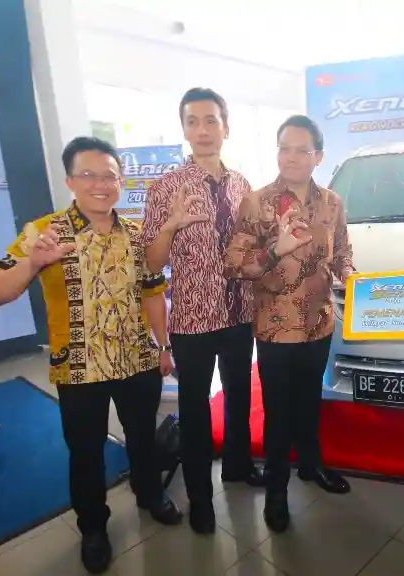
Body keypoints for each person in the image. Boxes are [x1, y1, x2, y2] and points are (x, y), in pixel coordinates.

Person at [0, 136, 181, 575]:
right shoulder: (43, 232)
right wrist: (33, 263)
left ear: (121, 181)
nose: (100, 184)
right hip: (79, 368)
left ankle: (150, 494)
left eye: (109, 176)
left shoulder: (135, 234)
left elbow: (153, 293)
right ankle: (93, 528)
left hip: (137, 360)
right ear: (70, 180)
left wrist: (163, 346)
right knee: (86, 453)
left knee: (142, 437)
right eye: (88, 175)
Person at [139, 88, 262, 535]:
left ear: (226, 127)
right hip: (193, 316)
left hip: (239, 311)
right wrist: (170, 226)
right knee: (193, 409)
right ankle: (200, 497)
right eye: (193, 121)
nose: (203, 130)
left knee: (238, 394)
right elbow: (151, 264)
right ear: (184, 129)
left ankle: (238, 466)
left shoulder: (242, 184)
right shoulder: (166, 187)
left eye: (211, 120)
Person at [224, 115, 354, 531]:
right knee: (278, 414)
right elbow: (234, 265)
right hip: (276, 327)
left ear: (318, 156)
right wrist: (275, 251)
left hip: (319, 323)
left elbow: (342, 252)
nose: (291, 157)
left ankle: (311, 466)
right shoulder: (257, 202)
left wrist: (349, 274)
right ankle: (276, 492)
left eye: (301, 150)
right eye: (284, 148)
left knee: (309, 402)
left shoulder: (332, 203)